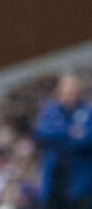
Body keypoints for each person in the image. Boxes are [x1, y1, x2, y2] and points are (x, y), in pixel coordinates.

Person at [35, 73, 92, 209]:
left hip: (83, 184)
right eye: (66, 90)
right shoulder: (50, 112)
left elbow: (87, 139)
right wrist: (70, 132)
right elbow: (43, 133)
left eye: (73, 89)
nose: (70, 94)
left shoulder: (88, 112)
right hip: (55, 183)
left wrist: (61, 139)